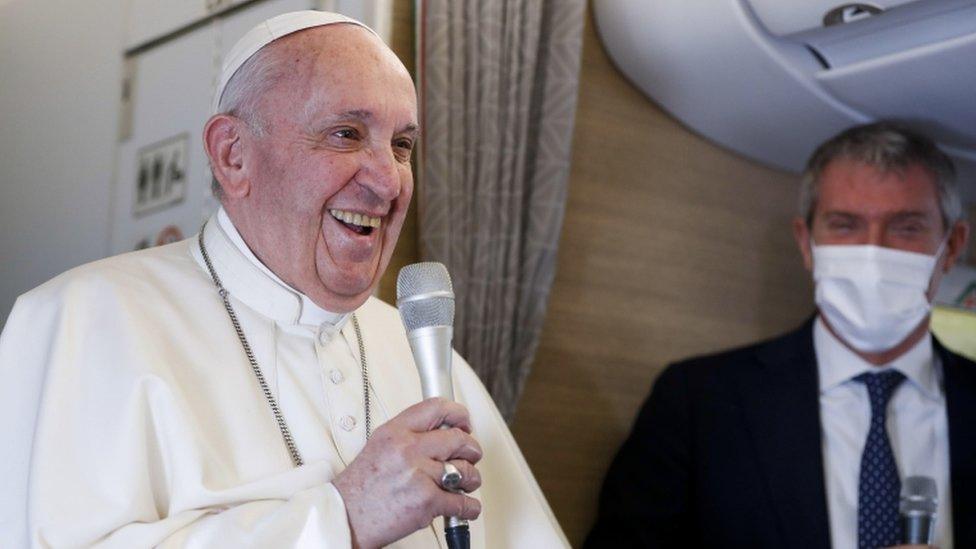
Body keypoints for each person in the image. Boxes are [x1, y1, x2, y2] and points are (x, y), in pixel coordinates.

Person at [0, 11, 568, 548]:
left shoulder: (421, 352)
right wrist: (340, 519)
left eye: (401, 146)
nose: (388, 182)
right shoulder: (83, 319)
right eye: (346, 134)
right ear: (233, 155)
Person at [585, 122, 975, 548]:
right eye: (845, 225)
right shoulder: (700, 402)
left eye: (906, 227)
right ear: (806, 243)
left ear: (952, 246)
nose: (872, 252)